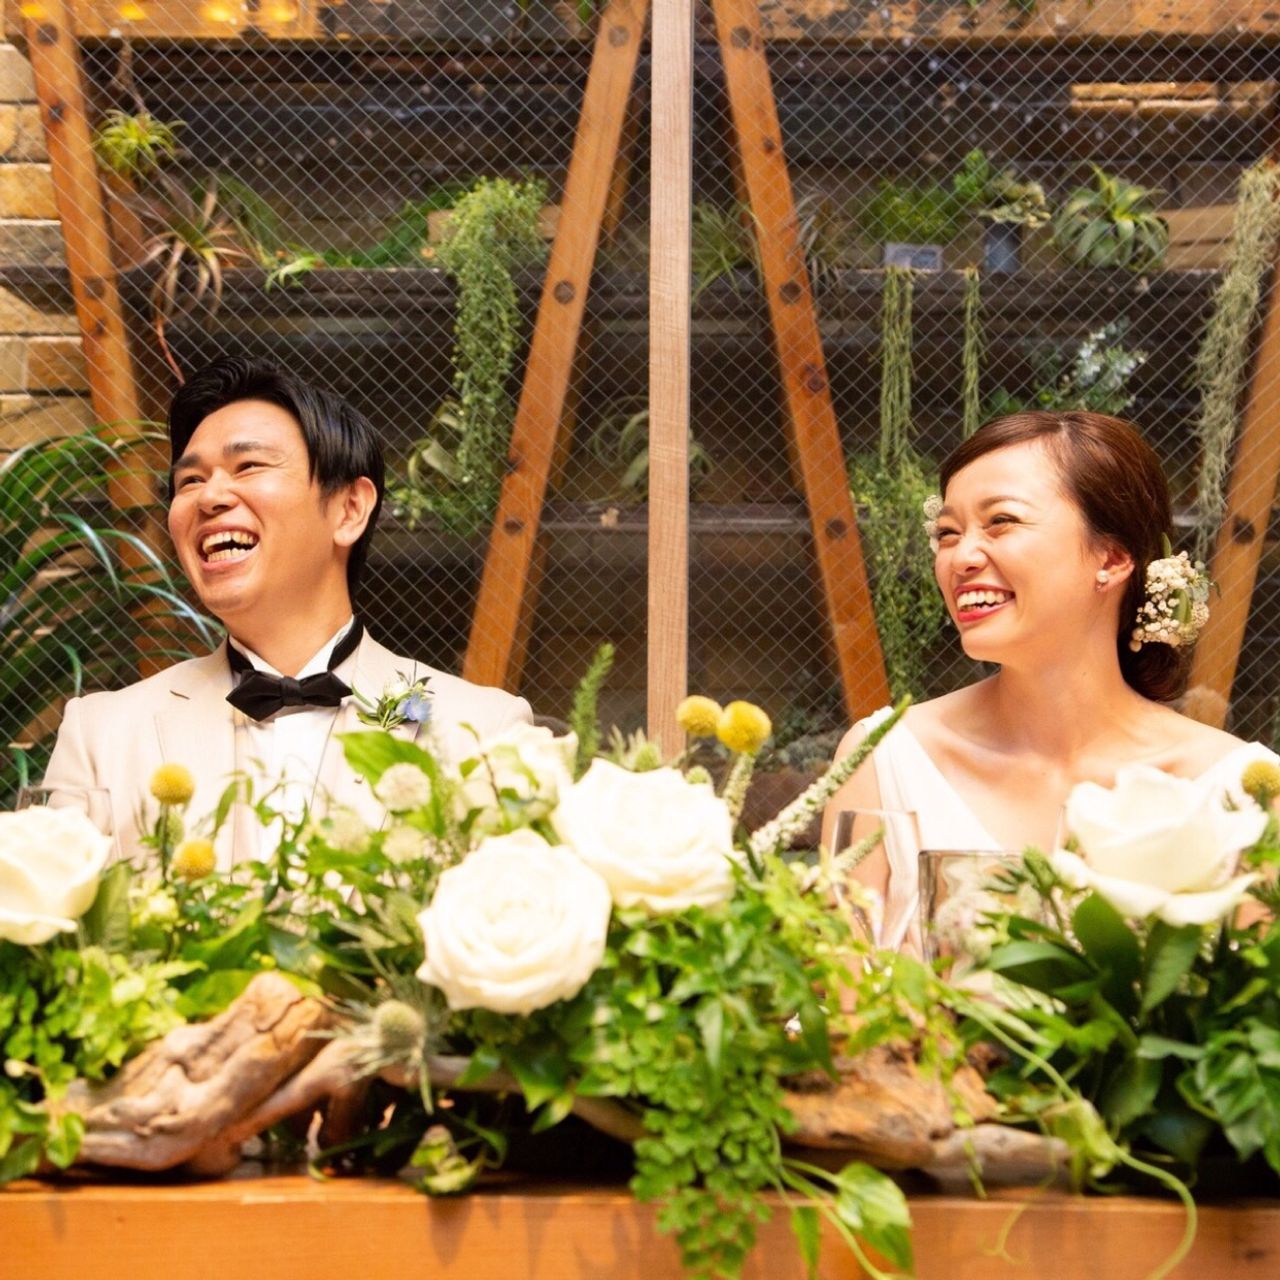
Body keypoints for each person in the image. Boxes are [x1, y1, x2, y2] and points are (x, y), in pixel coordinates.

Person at [42, 356, 532, 865]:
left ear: (349, 509)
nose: (210, 496)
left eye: (248, 466)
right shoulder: (101, 737)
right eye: (189, 481)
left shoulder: (485, 734)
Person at [821, 409, 1277, 952]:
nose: (961, 557)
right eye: (947, 533)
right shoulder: (884, 761)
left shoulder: (1245, 791)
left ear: (1112, 558)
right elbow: (839, 988)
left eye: (1001, 521)